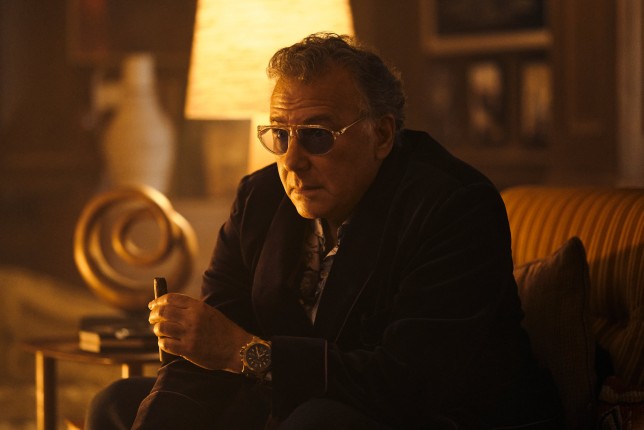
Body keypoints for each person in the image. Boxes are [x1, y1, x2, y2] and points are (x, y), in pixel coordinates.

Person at [86, 32, 563, 429]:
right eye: (279, 134)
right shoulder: (260, 196)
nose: (292, 161)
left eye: (317, 135)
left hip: (436, 415)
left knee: (317, 422)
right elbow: (209, 351)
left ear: (381, 134)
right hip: (297, 404)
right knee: (118, 404)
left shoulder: (453, 206)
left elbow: (407, 382)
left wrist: (245, 354)